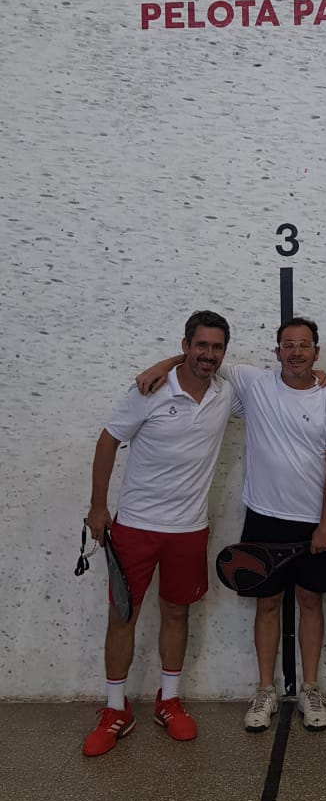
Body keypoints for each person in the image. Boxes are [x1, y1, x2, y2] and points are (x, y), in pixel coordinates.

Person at [138, 318, 326, 732]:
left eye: (304, 345)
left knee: (311, 602)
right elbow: (202, 360)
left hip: (313, 522)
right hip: (264, 517)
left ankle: (310, 688)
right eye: (288, 345)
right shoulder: (254, 383)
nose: (295, 352)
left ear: (316, 352)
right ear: (276, 351)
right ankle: (265, 690)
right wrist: (161, 366)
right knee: (267, 604)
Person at [82, 310, 241, 756]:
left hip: (188, 530)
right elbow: (108, 440)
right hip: (135, 526)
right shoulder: (150, 389)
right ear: (185, 345)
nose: (208, 354)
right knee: (122, 616)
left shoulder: (227, 393)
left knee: (176, 613)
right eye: (200, 345)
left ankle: (168, 701)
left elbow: (282, 385)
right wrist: (98, 506)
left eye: (217, 347)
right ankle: (116, 710)